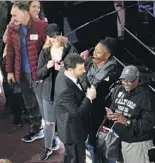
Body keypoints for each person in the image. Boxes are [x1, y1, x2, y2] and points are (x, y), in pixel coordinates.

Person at [5, 1, 47, 143]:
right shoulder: (12, 27)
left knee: (44, 104)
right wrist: (10, 71)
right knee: (30, 104)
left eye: (14, 14)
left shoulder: (40, 26)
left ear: (24, 12)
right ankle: (37, 130)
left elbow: (48, 51)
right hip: (21, 73)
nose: (12, 17)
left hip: (38, 74)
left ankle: (52, 135)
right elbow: (10, 50)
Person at [37, 23, 77, 160]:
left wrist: (64, 69)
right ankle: (48, 147)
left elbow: (78, 72)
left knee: (65, 124)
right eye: (52, 37)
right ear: (48, 38)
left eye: (57, 36)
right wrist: (48, 66)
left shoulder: (70, 49)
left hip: (65, 94)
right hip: (49, 93)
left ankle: (69, 152)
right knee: (49, 123)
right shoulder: (45, 52)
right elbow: (39, 73)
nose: (55, 39)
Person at [81, 37, 121, 163]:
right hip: (87, 112)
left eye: (98, 52)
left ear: (107, 55)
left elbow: (98, 93)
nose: (94, 54)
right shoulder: (88, 63)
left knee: (101, 148)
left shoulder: (113, 73)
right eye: (95, 50)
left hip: (101, 117)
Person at [106, 65, 155, 163]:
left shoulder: (145, 96)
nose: (126, 83)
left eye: (129, 80)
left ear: (137, 79)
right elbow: (114, 108)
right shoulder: (118, 90)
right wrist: (111, 115)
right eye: (123, 80)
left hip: (138, 144)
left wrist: (127, 121)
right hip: (120, 140)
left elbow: (148, 124)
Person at [54, 53, 97, 163]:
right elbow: (77, 113)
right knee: (76, 159)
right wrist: (89, 97)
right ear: (70, 70)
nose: (84, 71)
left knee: (71, 157)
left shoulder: (65, 71)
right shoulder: (64, 89)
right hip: (72, 133)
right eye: (80, 69)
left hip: (73, 128)